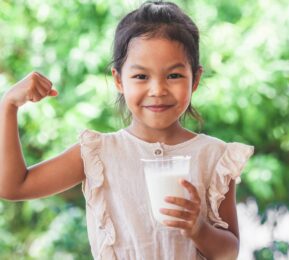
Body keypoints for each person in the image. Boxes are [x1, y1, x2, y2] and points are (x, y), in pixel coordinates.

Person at [0, 1, 254, 259]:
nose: (158, 90)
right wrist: (8, 106)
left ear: (196, 79)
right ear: (119, 80)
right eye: (141, 77)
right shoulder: (97, 155)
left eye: (174, 76)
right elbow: (13, 186)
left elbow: (228, 252)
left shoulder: (214, 157)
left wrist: (198, 229)